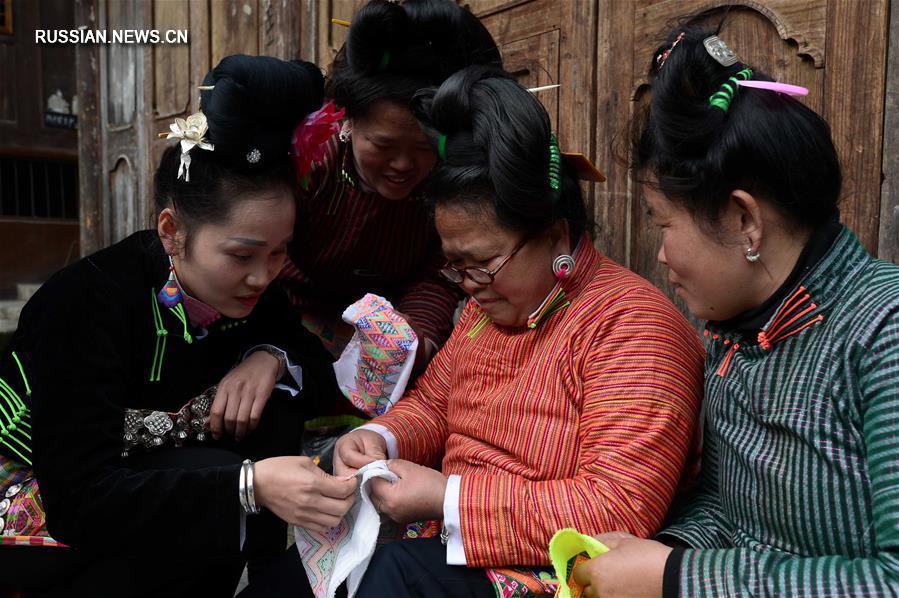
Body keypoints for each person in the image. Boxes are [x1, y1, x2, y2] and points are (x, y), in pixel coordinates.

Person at [324, 66, 706, 597]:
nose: (468, 286)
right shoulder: (488, 308)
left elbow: (616, 507)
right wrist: (380, 437)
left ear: (554, 236)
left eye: (481, 263)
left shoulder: (634, 327)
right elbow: (435, 404)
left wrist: (448, 499)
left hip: (548, 574)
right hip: (446, 542)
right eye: (454, 267)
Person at [0, 55, 356, 597]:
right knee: (218, 489)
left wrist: (270, 358)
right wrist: (248, 485)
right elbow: (79, 499)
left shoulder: (254, 294)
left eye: (280, 252)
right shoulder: (83, 302)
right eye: (243, 255)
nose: (263, 275)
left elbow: (315, 367)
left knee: (269, 411)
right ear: (172, 231)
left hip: (143, 477)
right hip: (40, 497)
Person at [571, 26, 899, 597]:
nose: (661, 255)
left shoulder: (883, 329)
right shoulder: (734, 334)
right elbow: (727, 510)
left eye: (662, 222)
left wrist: (674, 578)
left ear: (745, 220)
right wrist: (666, 551)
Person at [280, 0, 503, 370]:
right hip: (288, 323)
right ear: (347, 122)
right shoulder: (311, 161)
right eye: (383, 145)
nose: (403, 165)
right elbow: (264, 264)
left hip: (391, 339)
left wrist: (416, 339)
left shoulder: (447, 184)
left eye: (424, 147)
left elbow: (437, 275)